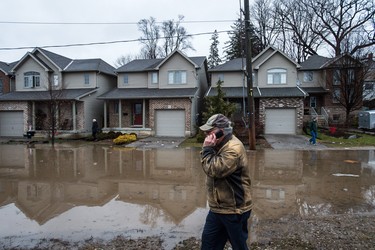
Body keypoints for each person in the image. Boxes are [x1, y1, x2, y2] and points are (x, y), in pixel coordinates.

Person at [199, 114, 252, 250]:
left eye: (209, 131)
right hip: (217, 208)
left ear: (220, 131)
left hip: (234, 209)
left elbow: (214, 170)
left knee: (239, 246)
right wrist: (209, 148)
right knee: (209, 245)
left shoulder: (233, 149)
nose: (206, 135)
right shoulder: (217, 145)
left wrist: (207, 149)